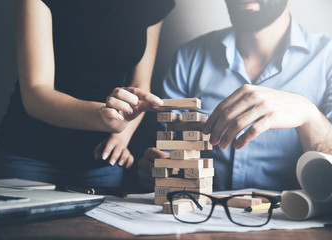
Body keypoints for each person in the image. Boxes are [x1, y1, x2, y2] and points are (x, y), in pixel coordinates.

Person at [138, 0, 332, 191]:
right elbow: (169, 151)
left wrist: (309, 116)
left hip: (291, 215)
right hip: (202, 213)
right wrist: (158, 169)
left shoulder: (327, 59)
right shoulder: (188, 58)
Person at [0, 0, 175, 188]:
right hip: (30, 155)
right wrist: (103, 117)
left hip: (101, 160)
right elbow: (35, 93)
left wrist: (119, 137)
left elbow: (140, 84)